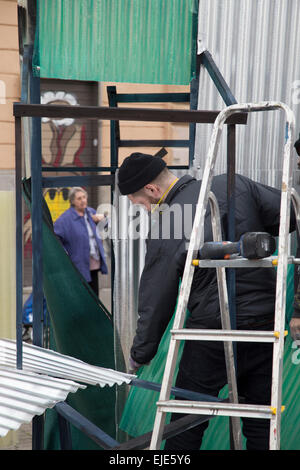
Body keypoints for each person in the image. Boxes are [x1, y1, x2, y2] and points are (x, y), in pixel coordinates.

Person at [117, 152, 297, 451]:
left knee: (186, 422)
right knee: (260, 420)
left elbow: (157, 295)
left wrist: (141, 352)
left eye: (138, 201)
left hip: (213, 330)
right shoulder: (234, 184)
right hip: (266, 324)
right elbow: (290, 214)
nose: (141, 208)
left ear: (152, 189)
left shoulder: (171, 219)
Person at [54, 187, 108, 295]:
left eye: (84, 197)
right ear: (72, 201)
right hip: (78, 266)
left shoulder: (90, 213)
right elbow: (55, 238)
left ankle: (94, 312)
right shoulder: (65, 219)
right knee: (81, 296)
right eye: (79, 198)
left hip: (93, 264)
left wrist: (103, 220)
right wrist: (65, 255)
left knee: (94, 296)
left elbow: (107, 226)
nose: (83, 200)